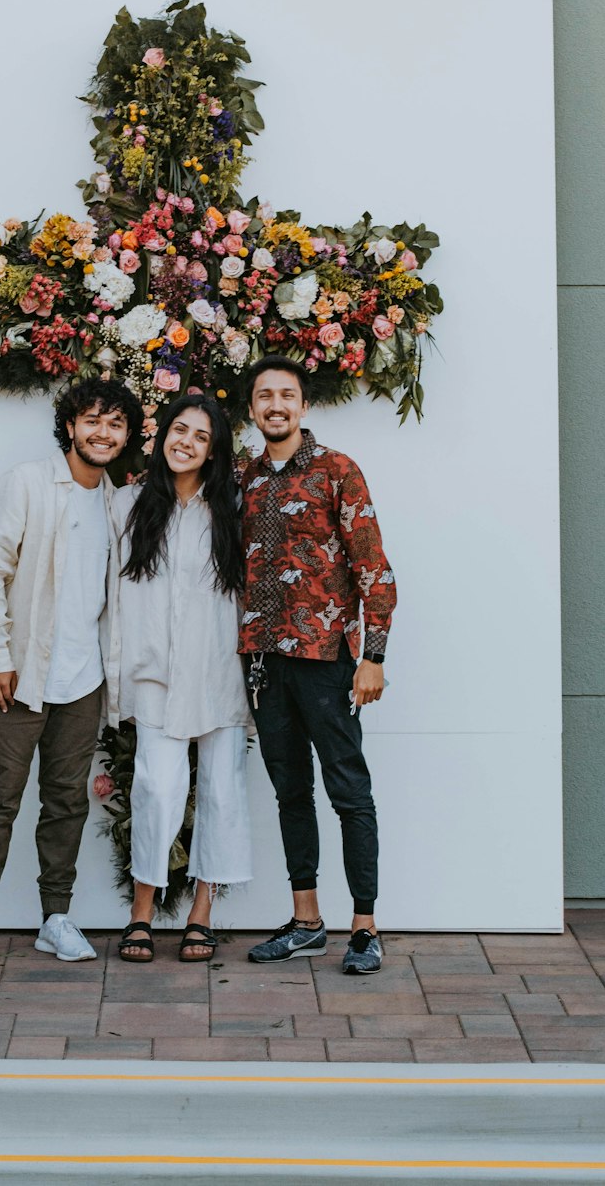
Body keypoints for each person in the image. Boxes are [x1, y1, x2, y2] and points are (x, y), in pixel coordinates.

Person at [0, 377, 143, 967]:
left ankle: (54, 919)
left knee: (66, 803)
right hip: (20, 675)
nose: (103, 432)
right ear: (70, 425)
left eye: (115, 424)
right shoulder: (27, 484)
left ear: (127, 435)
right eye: (93, 420)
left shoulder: (118, 503)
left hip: (83, 684)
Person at [239, 356, 396, 975]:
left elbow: (373, 567)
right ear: (252, 409)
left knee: (349, 791)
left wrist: (373, 657)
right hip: (264, 662)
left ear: (304, 406)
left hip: (327, 660)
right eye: (263, 396)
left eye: (287, 395)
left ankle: (365, 926)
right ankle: (306, 920)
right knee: (289, 792)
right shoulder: (247, 479)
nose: (275, 405)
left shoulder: (338, 470)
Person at [110, 393, 251, 964]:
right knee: (156, 789)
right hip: (155, 672)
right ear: (161, 434)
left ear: (214, 452)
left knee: (221, 790)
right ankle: (141, 915)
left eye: (200, 436)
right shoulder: (127, 505)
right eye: (178, 430)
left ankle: (201, 915)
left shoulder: (234, 510)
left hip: (219, 669)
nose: (185, 443)